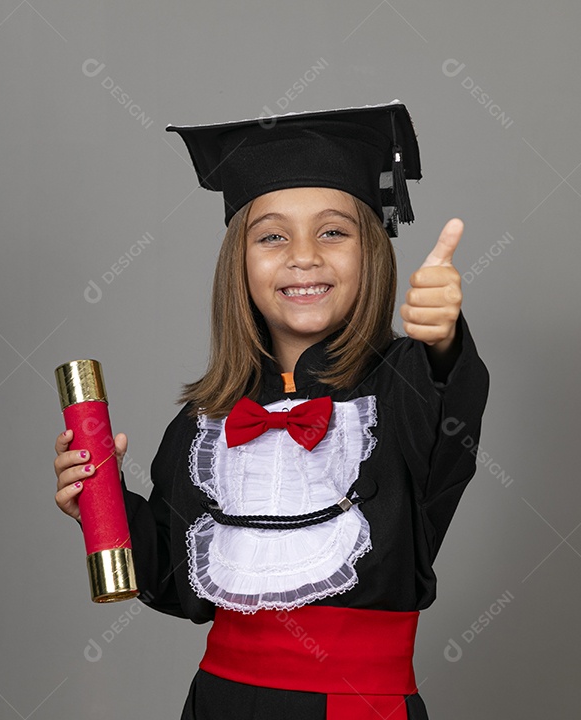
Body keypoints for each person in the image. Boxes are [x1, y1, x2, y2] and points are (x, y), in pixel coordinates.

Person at [53, 101, 490, 720]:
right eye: (272, 236)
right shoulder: (206, 422)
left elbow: (451, 405)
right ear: (241, 263)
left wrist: (441, 337)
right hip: (219, 702)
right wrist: (102, 507)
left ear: (373, 253)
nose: (303, 256)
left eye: (334, 232)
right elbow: (182, 587)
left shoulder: (401, 395)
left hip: (352, 707)